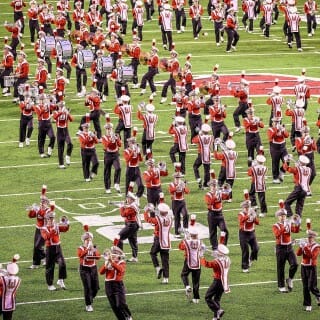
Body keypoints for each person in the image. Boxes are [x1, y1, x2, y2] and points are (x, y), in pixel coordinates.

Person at [40, 204, 70, 291]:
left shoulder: (56, 226)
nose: (52, 220)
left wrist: (67, 224)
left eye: (52, 218)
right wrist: (53, 229)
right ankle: (50, 284)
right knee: (50, 267)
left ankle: (60, 280)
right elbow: (46, 237)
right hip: (50, 249)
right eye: (50, 218)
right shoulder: (44, 228)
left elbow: (65, 229)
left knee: (62, 264)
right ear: (47, 219)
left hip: (58, 247)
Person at [99, 246, 132, 320]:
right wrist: (106, 265)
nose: (112, 256)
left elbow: (121, 270)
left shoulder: (122, 262)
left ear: (118, 255)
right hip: (108, 286)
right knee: (114, 306)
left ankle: (128, 315)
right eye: (112, 254)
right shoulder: (108, 262)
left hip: (118, 285)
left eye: (114, 254)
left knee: (120, 304)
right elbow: (101, 272)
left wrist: (112, 262)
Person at [272, 201, 298, 293]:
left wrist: (297, 223)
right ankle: (281, 286)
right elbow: (277, 235)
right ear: (278, 217)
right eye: (281, 216)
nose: (283, 217)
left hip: (289, 247)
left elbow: (295, 230)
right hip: (281, 248)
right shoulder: (275, 226)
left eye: (284, 216)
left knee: (295, 264)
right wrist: (284, 226)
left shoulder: (288, 223)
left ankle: (290, 279)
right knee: (281, 267)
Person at [144, 202, 173, 284]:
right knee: (165, 260)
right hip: (166, 241)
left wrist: (146, 212)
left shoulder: (158, 219)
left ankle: (157, 268)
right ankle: (166, 278)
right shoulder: (170, 219)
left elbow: (148, 220)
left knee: (152, 253)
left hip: (158, 239)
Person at [201, 244, 231, 320]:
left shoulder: (216, 262)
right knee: (216, 299)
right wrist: (211, 253)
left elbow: (207, 264)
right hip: (225, 282)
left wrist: (201, 255)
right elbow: (219, 258)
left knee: (207, 297)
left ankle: (218, 310)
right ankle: (216, 317)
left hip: (217, 281)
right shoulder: (228, 259)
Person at [178, 226, 205, 303]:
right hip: (197, 263)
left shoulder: (187, 242)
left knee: (183, 275)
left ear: (191, 235)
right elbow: (203, 249)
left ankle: (187, 286)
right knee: (196, 281)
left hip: (188, 261)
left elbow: (180, 247)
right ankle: (196, 298)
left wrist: (185, 238)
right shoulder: (200, 242)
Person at [78, 225, 101, 312]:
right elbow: (81, 256)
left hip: (93, 269)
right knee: (87, 287)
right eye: (88, 240)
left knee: (96, 287)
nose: (89, 241)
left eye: (90, 239)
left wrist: (94, 250)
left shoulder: (93, 247)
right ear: (84, 241)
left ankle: (90, 297)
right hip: (84, 269)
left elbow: (98, 257)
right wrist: (87, 249)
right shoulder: (80, 248)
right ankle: (88, 305)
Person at [296, 229, 320, 312]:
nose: (309, 238)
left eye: (311, 237)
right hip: (303, 267)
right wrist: (300, 246)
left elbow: (312, 256)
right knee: (305, 287)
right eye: (308, 237)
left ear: (314, 237)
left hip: (312, 268)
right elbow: (298, 254)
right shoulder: (305, 244)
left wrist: (305, 247)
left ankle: (318, 296)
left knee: (311, 287)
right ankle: (308, 304)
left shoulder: (317, 246)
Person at [204, 174, 230, 250]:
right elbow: (210, 203)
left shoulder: (219, 192)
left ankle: (223, 246)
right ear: (210, 186)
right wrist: (216, 195)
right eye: (213, 186)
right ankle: (215, 248)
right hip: (212, 215)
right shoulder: (208, 194)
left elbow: (226, 198)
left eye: (215, 185)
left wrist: (227, 191)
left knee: (225, 230)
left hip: (220, 214)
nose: (215, 187)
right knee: (213, 232)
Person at [27, 185, 49, 269]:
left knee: (37, 246)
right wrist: (32, 210)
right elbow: (31, 216)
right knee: (36, 246)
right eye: (41, 203)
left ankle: (44, 258)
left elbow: (45, 218)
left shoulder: (48, 211)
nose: (41, 204)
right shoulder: (39, 209)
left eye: (43, 203)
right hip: (38, 229)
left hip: (44, 230)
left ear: (46, 204)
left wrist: (39, 210)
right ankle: (37, 262)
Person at [114, 192, 140, 263]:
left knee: (118, 238)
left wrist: (121, 206)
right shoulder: (132, 205)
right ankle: (134, 257)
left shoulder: (132, 207)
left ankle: (120, 257)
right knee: (133, 241)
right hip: (133, 224)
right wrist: (124, 205)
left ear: (131, 199)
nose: (127, 199)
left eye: (128, 198)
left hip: (131, 225)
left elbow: (123, 214)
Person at [238, 198, 260, 273]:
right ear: (243, 208)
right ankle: (245, 267)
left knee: (256, 248)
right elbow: (241, 220)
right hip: (243, 234)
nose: (247, 209)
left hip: (252, 233)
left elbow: (257, 223)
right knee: (245, 251)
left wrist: (254, 216)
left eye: (248, 207)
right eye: (245, 208)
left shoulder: (252, 213)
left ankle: (251, 259)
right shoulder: (241, 214)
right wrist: (248, 215)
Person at [101, 120, 122, 194]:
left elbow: (120, 145)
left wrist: (117, 139)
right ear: (105, 130)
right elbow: (106, 145)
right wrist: (112, 139)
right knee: (107, 171)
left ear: (112, 129)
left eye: (110, 128)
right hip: (108, 155)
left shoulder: (116, 135)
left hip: (115, 154)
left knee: (118, 168)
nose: (109, 130)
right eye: (107, 129)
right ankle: (107, 188)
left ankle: (116, 183)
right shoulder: (104, 137)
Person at [267, 117, 289, 183]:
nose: (277, 123)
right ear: (272, 123)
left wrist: (283, 130)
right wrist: (276, 129)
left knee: (287, 161)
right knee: (275, 163)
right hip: (275, 149)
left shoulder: (282, 128)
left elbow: (287, 135)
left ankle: (282, 172)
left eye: (278, 122)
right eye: (275, 122)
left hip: (283, 148)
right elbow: (270, 137)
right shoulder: (270, 129)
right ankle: (275, 178)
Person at [192, 123, 214, 189]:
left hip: (201, 154)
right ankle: (206, 184)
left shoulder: (199, 137)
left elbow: (193, 140)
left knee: (195, 166)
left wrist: (199, 133)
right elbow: (213, 147)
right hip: (208, 154)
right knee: (207, 170)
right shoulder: (211, 137)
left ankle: (198, 178)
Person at [169, 169, 190, 237]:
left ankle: (185, 229)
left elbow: (187, 192)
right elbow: (171, 191)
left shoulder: (182, 183)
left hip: (182, 201)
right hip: (175, 202)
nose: (178, 179)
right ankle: (177, 233)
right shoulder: (172, 184)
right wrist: (177, 187)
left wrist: (184, 187)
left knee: (186, 214)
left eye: (179, 177)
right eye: (177, 178)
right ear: (174, 178)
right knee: (177, 218)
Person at [52, 101, 74, 169]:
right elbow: (55, 118)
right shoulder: (56, 112)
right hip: (59, 131)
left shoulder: (66, 112)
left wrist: (68, 114)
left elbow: (71, 120)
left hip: (65, 130)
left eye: (63, 106)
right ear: (58, 106)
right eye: (60, 106)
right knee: (60, 148)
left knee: (70, 144)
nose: (62, 107)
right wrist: (61, 112)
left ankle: (67, 156)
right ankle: (61, 164)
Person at [123, 136, 144, 202]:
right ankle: (127, 200)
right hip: (130, 170)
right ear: (129, 144)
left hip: (136, 169)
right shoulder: (126, 151)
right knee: (128, 187)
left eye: (134, 142)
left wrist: (139, 153)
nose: (134, 144)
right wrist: (133, 152)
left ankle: (137, 198)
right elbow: (127, 160)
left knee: (141, 185)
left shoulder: (136, 149)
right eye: (132, 142)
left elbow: (141, 160)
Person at [0, 254, 21, 320]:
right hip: (11, 302)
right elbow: (11, 269)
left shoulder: (2, 279)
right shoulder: (18, 279)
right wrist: (14, 261)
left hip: (1, 301)